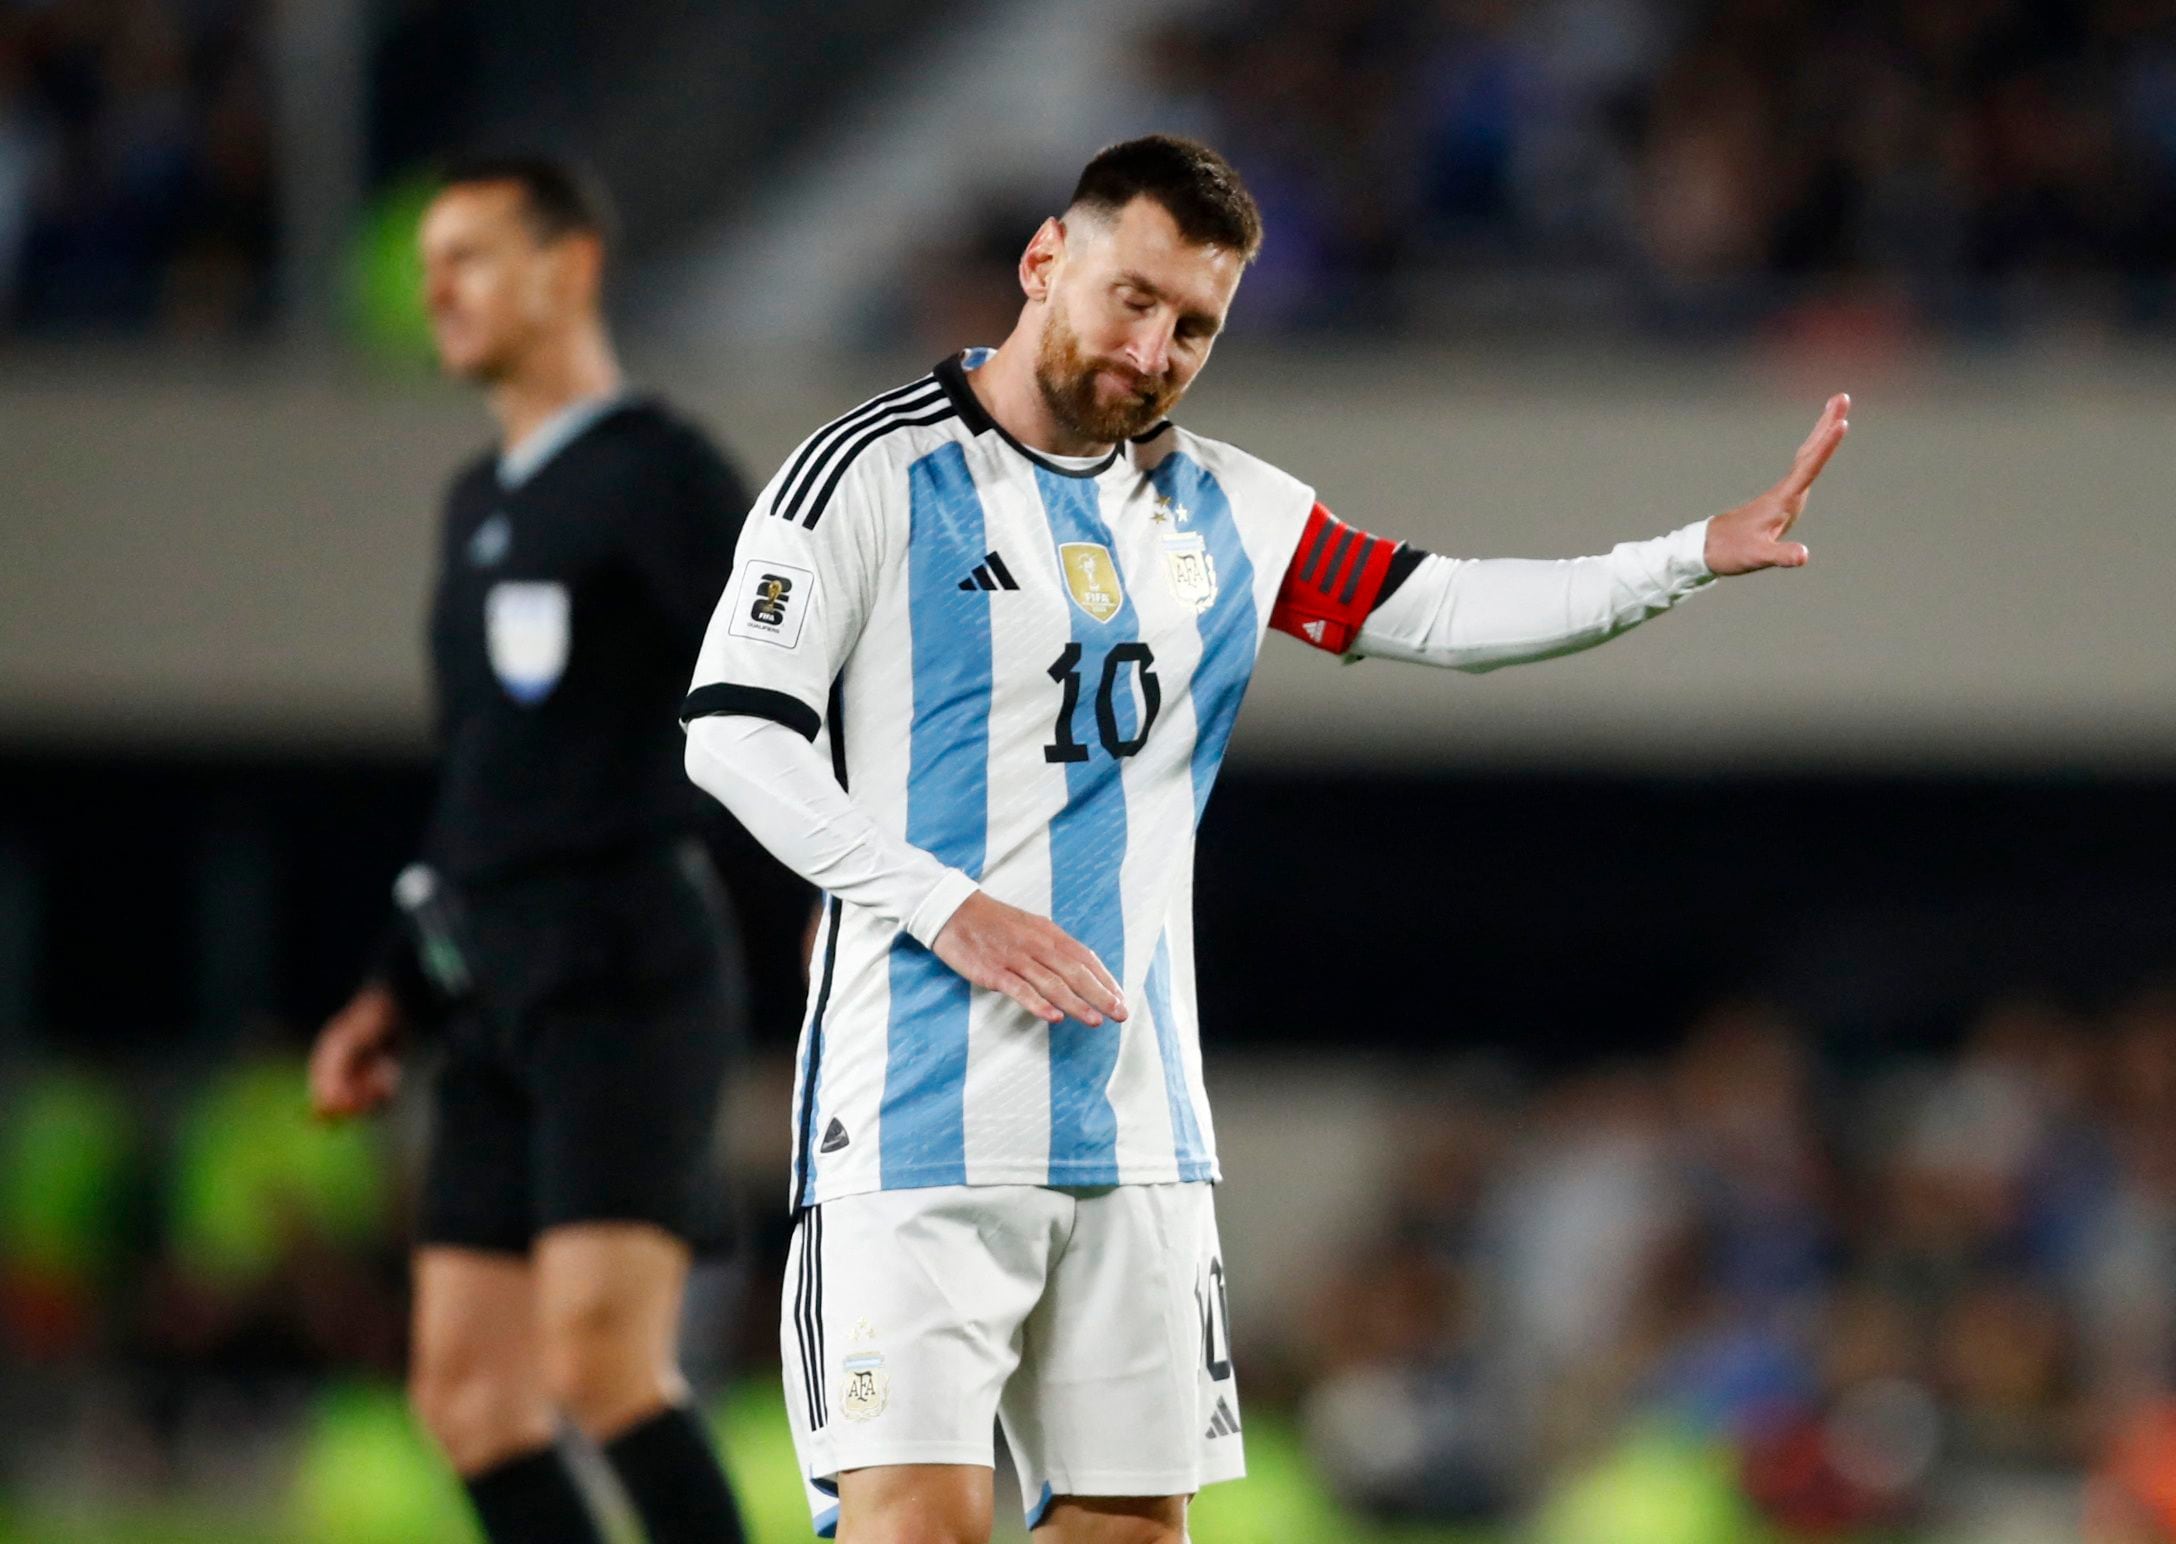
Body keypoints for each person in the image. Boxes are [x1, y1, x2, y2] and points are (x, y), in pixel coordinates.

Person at [680, 134, 1849, 1544]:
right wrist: (945, 906)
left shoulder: (1226, 508)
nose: (1154, 349)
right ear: (1046, 260)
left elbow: (1440, 608)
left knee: (1131, 1530)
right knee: (916, 1529)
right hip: (913, 1121)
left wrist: (1682, 559)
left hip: (1139, 1129)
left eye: (1195, 327)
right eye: (1132, 297)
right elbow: (731, 733)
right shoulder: (870, 473)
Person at [307, 155, 751, 1544]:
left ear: (569, 269)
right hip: (489, 982)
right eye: (429, 265)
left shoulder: (663, 478)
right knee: (468, 1398)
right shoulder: (478, 503)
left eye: (472, 256)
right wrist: (395, 985)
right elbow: (482, 784)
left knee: (602, 1366)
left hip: (623, 962)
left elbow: (786, 696)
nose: (437, 289)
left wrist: (831, 890)